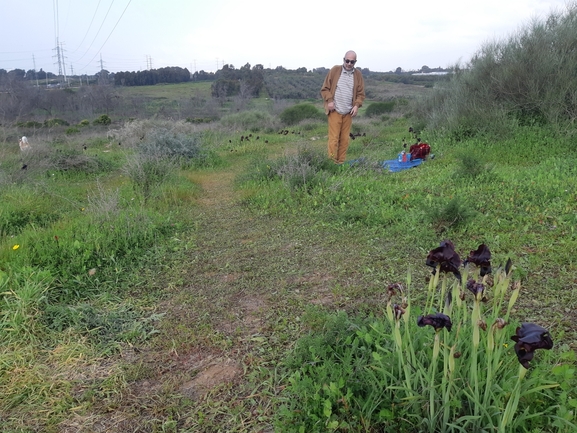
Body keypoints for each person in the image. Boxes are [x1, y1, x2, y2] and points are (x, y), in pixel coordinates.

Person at [320, 50, 365, 164]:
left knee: (344, 140)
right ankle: (331, 163)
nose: (349, 64)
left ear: (355, 62)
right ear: (343, 59)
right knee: (334, 139)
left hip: (348, 113)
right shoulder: (335, 70)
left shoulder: (358, 75)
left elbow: (361, 94)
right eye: (347, 61)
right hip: (335, 111)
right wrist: (329, 100)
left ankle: (340, 163)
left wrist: (356, 105)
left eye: (352, 62)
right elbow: (324, 89)